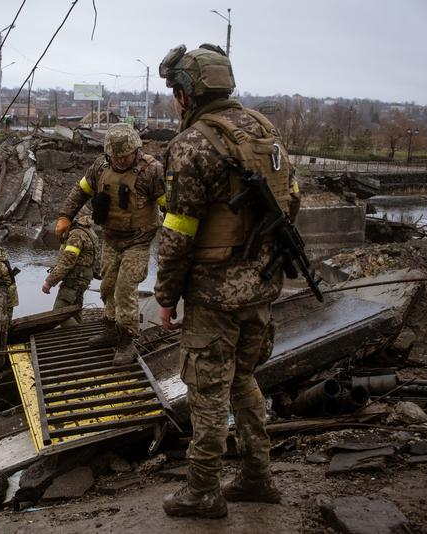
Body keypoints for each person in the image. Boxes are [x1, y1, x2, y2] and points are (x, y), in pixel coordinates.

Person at [155, 44, 301, 518]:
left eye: (176, 93)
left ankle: (202, 491)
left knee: (208, 392)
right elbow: (291, 200)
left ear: (186, 94)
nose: (176, 101)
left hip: (214, 293)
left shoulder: (192, 144)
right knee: (244, 381)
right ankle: (258, 477)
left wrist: (165, 297)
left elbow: (178, 232)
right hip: (261, 286)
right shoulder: (265, 131)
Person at [56, 123, 166, 365]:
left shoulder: (152, 171)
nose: (120, 161)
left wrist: (175, 238)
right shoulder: (101, 166)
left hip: (138, 241)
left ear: (136, 150)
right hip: (111, 238)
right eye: (115, 156)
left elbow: (170, 207)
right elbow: (81, 190)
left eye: (125, 156)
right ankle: (110, 328)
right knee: (107, 286)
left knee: (125, 289)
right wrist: (65, 215)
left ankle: (127, 341)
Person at [41, 213, 99, 326]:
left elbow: (67, 262)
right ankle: (81, 336)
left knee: (58, 314)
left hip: (75, 279)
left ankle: (78, 337)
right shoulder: (88, 231)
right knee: (74, 311)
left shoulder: (76, 235)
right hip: (83, 277)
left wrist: (49, 282)